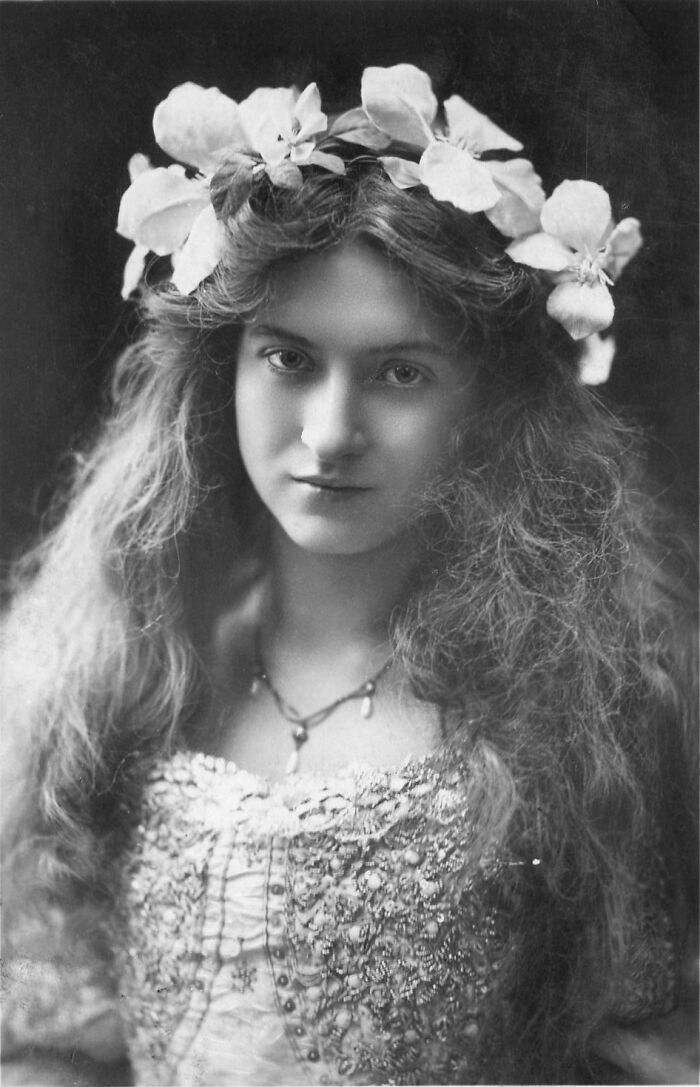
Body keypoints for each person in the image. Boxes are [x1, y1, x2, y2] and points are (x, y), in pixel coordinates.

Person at [1, 65, 697, 1086]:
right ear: (220, 369)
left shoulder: (581, 712)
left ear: (484, 407)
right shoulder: (113, 676)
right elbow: (47, 1048)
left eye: (399, 373)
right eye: (286, 360)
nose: (329, 434)